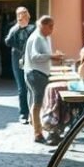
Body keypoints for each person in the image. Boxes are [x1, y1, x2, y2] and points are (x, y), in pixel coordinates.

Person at [23, 15, 55, 144]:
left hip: (38, 72)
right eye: (50, 26)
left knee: (36, 102)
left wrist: (51, 57)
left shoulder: (44, 37)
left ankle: (36, 125)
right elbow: (35, 56)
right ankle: (38, 133)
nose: (52, 29)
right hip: (36, 73)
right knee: (38, 103)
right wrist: (51, 56)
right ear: (43, 25)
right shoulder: (37, 37)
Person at [4, 6, 34, 124]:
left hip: (31, 60)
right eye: (20, 14)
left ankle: (33, 113)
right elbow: (7, 41)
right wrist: (17, 27)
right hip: (18, 60)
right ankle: (23, 114)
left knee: (32, 87)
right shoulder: (14, 29)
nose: (22, 16)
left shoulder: (33, 28)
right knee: (22, 88)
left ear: (29, 15)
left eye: (24, 13)